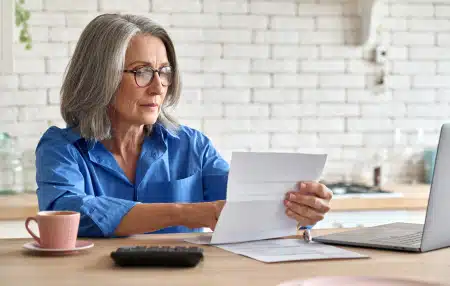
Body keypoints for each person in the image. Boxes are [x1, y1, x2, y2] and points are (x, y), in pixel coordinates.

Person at [35, 13, 333, 238]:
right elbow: (68, 212)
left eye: (164, 72)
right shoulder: (61, 149)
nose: (158, 88)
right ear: (100, 77)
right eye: (142, 72)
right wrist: (186, 213)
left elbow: (245, 204)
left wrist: (300, 209)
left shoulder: (193, 147)